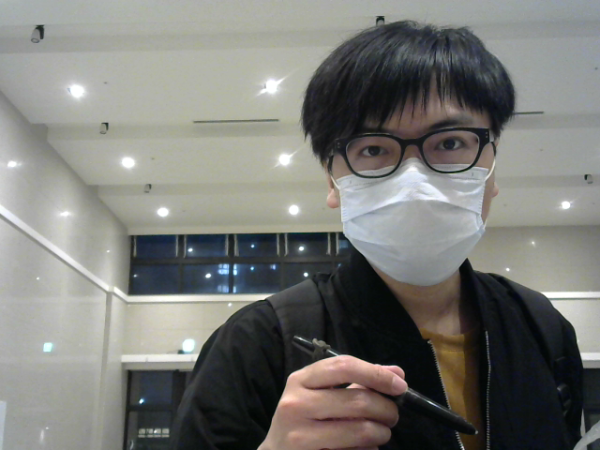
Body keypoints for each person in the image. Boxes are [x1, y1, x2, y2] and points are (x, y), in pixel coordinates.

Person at [170, 20, 583, 450]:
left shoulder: (541, 326)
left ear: (492, 166)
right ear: (332, 181)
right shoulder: (258, 343)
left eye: (450, 143)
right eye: (373, 149)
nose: (414, 179)